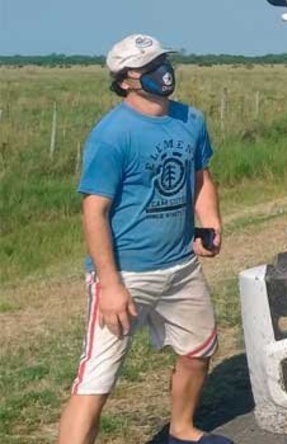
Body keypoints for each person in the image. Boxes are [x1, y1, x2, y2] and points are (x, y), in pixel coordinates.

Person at [57, 34, 233, 444]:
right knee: (95, 379)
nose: (163, 72)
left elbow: (200, 176)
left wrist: (208, 222)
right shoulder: (112, 135)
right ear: (125, 81)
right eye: (149, 66)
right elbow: (94, 212)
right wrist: (111, 285)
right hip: (127, 274)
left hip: (181, 266)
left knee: (198, 350)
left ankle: (183, 430)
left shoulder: (191, 120)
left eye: (163, 61)